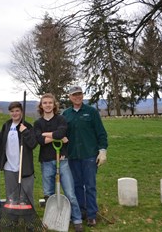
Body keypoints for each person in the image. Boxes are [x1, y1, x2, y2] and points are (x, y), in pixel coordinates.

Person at [34, 93, 83, 232]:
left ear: (54, 105)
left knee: (70, 193)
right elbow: (39, 140)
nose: (48, 105)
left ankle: (77, 219)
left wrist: (46, 134)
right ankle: (51, 219)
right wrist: (56, 137)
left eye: (50, 102)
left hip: (62, 160)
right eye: (45, 103)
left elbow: (60, 133)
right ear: (41, 105)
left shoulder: (61, 119)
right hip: (46, 161)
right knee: (48, 193)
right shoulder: (38, 123)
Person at [63, 86, 108, 227]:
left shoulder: (91, 112)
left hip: (89, 155)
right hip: (73, 156)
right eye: (74, 95)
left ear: (82, 95)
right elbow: (62, 134)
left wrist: (102, 150)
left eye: (79, 94)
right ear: (70, 97)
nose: (77, 97)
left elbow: (101, 133)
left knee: (90, 185)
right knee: (76, 185)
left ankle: (91, 214)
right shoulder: (66, 114)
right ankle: (81, 211)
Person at [0, 101, 37, 207]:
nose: (14, 113)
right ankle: (12, 219)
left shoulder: (27, 126)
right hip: (9, 167)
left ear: (21, 112)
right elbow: (1, 145)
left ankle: (29, 220)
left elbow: (33, 144)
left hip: (25, 167)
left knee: (26, 196)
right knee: (11, 197)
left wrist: (25, 132)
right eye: (12, 111)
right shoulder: (6, 125)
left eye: (17, 111)